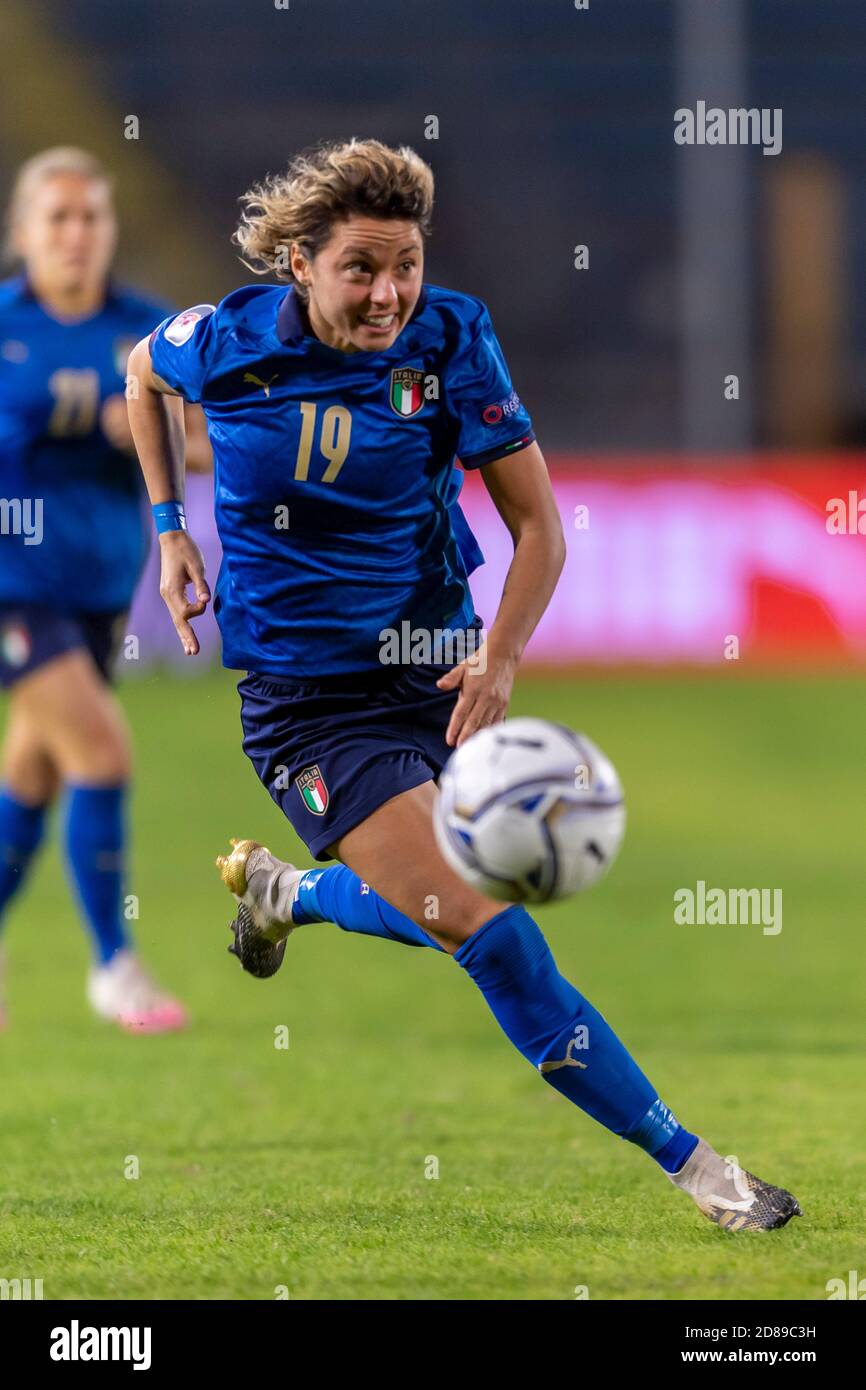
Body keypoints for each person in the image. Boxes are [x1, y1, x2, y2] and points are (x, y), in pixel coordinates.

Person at [128, 138, 800, 1229]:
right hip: (308, 709)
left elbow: (538, 527)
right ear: (299, 262)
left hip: (435, 675)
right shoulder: (223, 339)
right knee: (494, 933)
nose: (390, 292)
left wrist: (501, 653)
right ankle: (705, 1174)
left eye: (407, 264)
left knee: (455, 905)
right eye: (361, 268)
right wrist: (169, 529)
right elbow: (137, 374)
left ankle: (287, 894)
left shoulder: (451, 337)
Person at [0, 147, 210, 1032]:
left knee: (32, 774)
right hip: (12, 586)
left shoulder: (147, 333)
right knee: (102, 750)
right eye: (59, 217)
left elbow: (206, 445)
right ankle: (112, 966)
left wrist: (152, 439)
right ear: (23, 232)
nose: (78, 234)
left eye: (93, 217)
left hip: (96, 588)